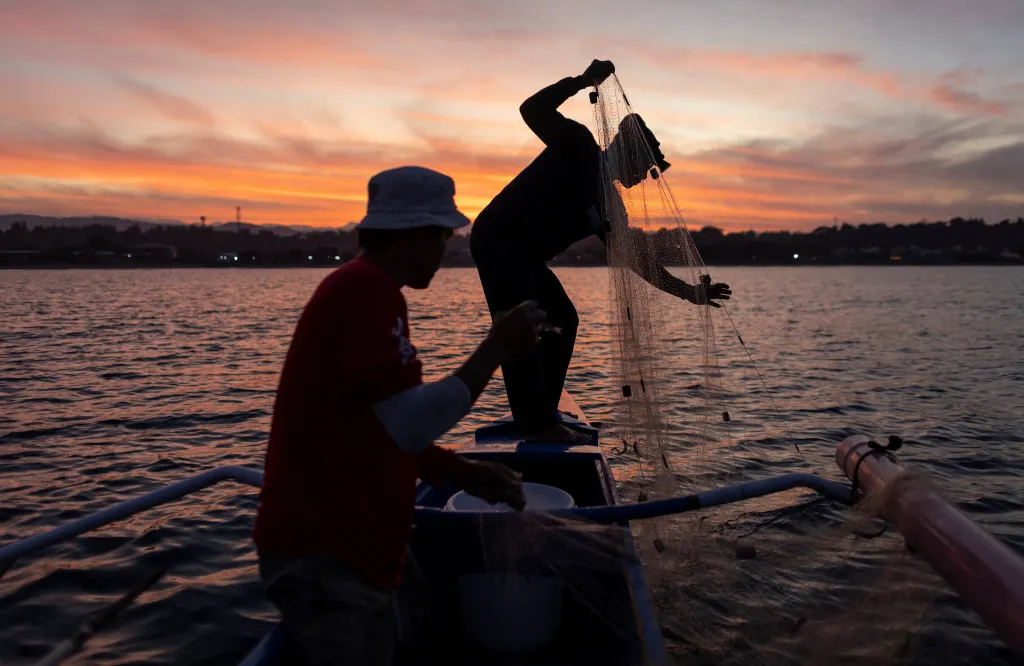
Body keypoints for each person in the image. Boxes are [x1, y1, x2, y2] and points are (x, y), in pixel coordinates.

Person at [253, 166, 547, 665]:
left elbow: (378, 427)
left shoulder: (370, 292)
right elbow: (410, 422)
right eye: (442, 236)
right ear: (414, 235)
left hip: (360, 543)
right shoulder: (364, 291)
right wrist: (496, 347)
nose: (447, 249)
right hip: (324, 553)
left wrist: (461, 473)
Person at [470, 60, 732, 443]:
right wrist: (581, 82)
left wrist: (689, 293)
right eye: (646, 166)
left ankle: (543, 410)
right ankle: (537, 426)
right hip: (497, 241)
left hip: (525, 257)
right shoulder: (577, 145)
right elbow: (531, 109)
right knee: (525, 328)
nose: (645, 176)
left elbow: (636, 259)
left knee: (563, 319)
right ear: (627, 151)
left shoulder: (610, 204)